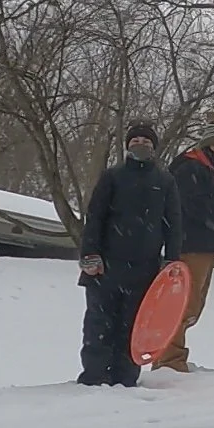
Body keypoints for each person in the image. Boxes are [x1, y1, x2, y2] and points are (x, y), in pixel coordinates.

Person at [76, 121, 182, 387]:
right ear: (127, 146)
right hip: (106, 268)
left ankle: (125, 378)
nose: (140, 146)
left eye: (146, 142)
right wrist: (90, 254)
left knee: (133, 327)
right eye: (135, 142)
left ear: (154, 148)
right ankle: (93, 376)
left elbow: (174, 224)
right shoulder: (112, 176)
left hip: (146, 271)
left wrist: (172, 262)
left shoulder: (165, 181)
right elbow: (95, 217)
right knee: (99, 325)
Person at [157, 121, 214, 373]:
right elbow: (197, 207)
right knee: (183, 305)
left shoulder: (206, 169)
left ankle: (171, 358)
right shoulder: (190, 168)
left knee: (194, 306)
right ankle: (169, 361)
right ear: (204, 144)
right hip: (190, 244)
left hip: (204, 244)